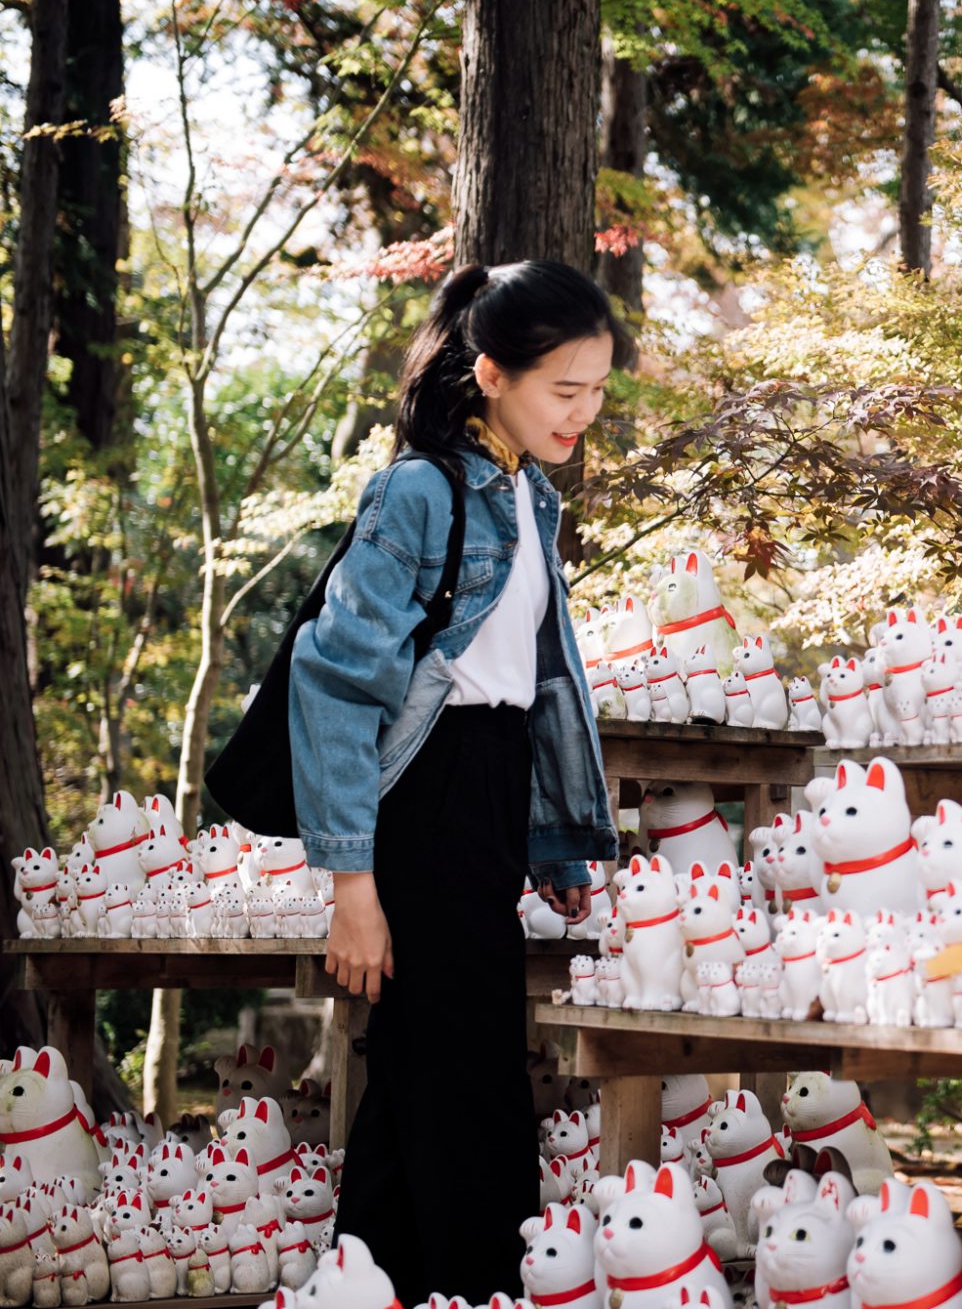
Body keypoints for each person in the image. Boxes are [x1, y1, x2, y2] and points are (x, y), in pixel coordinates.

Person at [289, 261, 626, 1300]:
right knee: (469, 1082)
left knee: (415, 1086)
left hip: (487, 797)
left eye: (598, 389)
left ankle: (365, 1282)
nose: (584, 412)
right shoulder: (420, 490)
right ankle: (486, 1287)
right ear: (489, 373)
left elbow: (533, 685)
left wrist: (553, 837)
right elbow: (334, 681)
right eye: (562, 390)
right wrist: (353, 888)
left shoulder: (531, 497)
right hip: (422, 806)